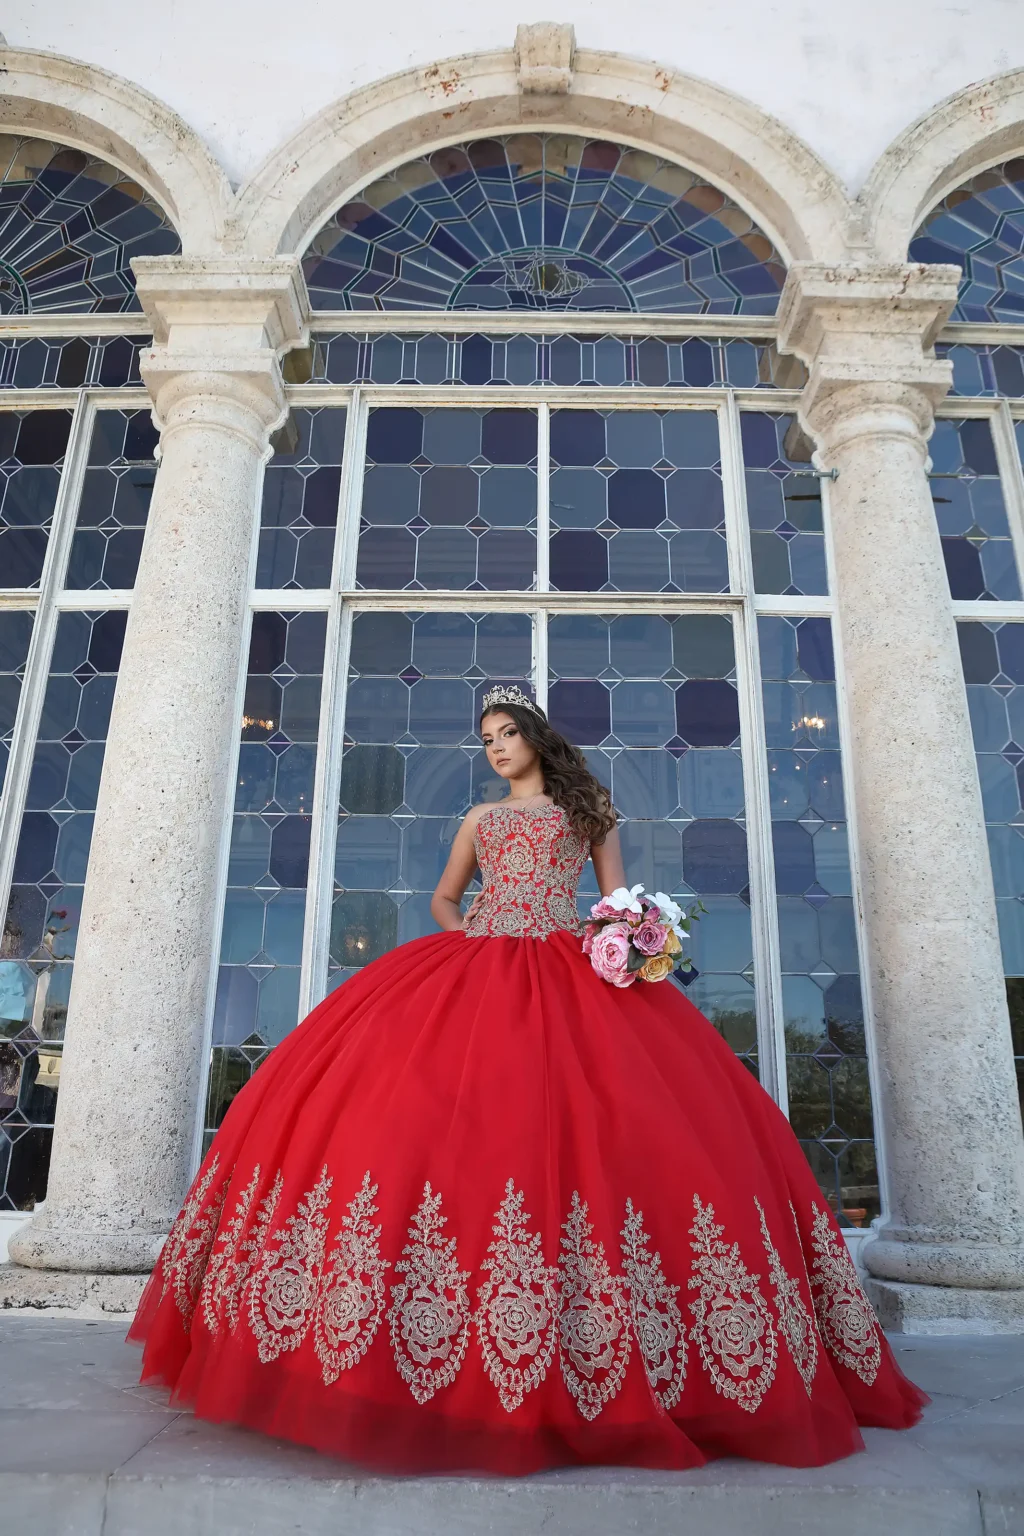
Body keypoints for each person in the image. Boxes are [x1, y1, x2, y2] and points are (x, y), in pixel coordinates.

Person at [129, 684, 926, 1474]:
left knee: (622, 1140)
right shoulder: (480, 819)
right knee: (428, 1133)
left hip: (572, 971)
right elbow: (445, 898)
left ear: (537, 739)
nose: (497, 748)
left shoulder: (589, 814)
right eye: (486, 739)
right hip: (475, 970)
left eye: (507, 733)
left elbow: (616, 902)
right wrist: (473, 934)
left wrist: (627, 941)